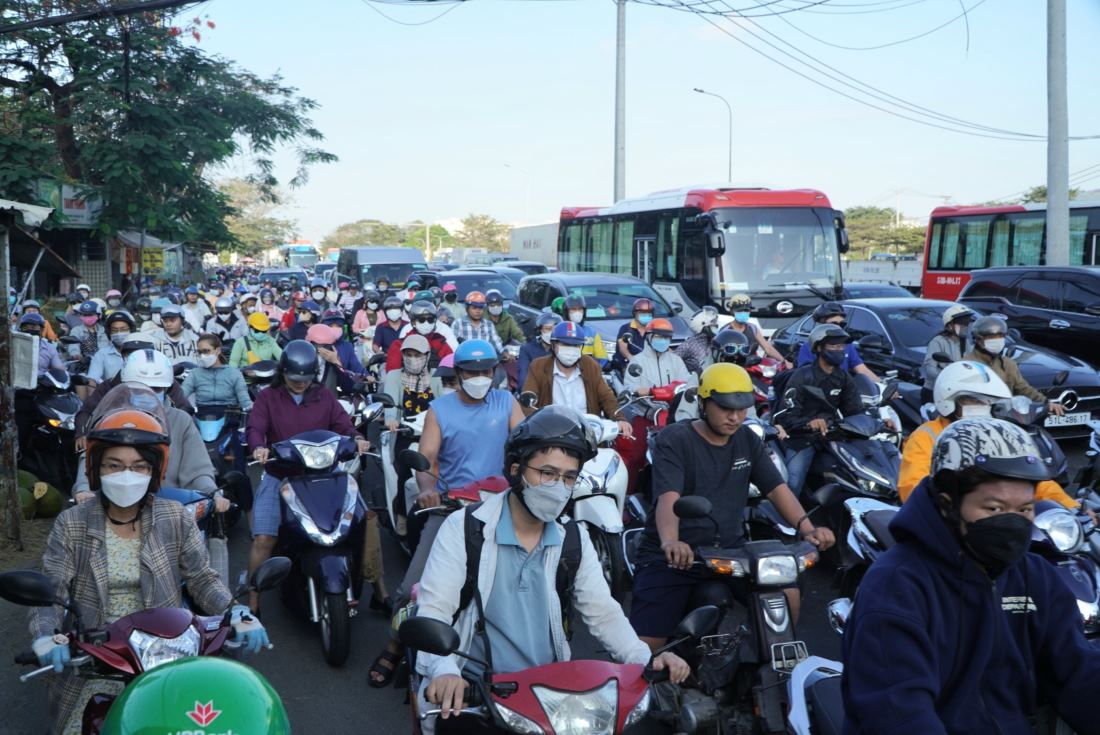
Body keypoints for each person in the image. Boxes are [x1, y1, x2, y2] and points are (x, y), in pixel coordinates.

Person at [415, 406, 691, 724]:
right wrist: (446, 671)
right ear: (517, 470)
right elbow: (435, 610)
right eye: (547, 473)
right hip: (476, 693)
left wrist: (645, 658)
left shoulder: (573, 539)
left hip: (549, 697)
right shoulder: (465, 528)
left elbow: (604, 613)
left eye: (569, 477)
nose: (558, 486)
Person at [841, 418, 1100, 734]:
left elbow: (1077, 674)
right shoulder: (897, 586)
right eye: (993, 509)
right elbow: (898, 713)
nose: (1013, 524)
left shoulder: (1035, 576)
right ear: (947, 504)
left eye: (1024, 510)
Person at [29, 408, 265, 734]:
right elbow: (50, 592)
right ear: (97, 468)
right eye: (114, 465)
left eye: (139, 466)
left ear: (154, 471)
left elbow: (200, 578)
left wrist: (234, 610)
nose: (127, 474)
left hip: (169, 653)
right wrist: (45, 635)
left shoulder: (174, 516)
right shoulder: (73, 523)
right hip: (100, 659)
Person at [629, 364, 835, 648]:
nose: (735, 416)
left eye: (742, 409)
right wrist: (671, 542)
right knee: (645, 648)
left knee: (788, 594)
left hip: (730, 550)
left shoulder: (747, 439)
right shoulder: (675, 440)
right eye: (726, 408)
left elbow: (776, 489)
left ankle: (763, 662)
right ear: (703, 403)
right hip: (675, 556)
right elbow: (669, 497)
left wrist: (808, 528)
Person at [368, 339, 524, 688]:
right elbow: (427, 458)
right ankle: (394, 646)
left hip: (502, 507)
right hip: (454, 507)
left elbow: (524, 442)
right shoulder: (441, 409)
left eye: (487, 371)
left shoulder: (506, 402)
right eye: (473, 372)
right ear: (459, 373)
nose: (481, 378)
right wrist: (427, 488)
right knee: (413, 587)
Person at [244, 341, 371, 612]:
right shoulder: (268, 397)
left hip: (324, 475)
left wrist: (357, 438)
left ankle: (379, 589)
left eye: (306, 378)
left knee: (362, 521)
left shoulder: (324, 396)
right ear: (284, 373)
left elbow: (343, 425)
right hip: (282, 474)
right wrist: (259, 447)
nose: (300, 384)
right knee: (264, 538)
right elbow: (255, 427)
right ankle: (252, 601)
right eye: (294, 378)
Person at [898, 360, 1077, 508]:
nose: (983, 405)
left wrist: (1069, 507)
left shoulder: (999, 434)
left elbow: (1034, 479)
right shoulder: (926, 436)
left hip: (1002, 517)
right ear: (949, 400)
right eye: (975, 399)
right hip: (953, 522)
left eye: (988, 400)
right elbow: (913, 487)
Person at [772, 324, 893, 498]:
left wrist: (880, 423)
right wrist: (809, 423)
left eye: (841, 347)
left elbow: (855, 411)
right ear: (819, 347)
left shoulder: (843, 378)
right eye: (833, 346)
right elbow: (784, 416)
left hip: (832, 436)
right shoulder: (802, 376)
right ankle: (787, 522)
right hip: (801, 439)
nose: (839, 351)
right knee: (793, 483)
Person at [72, 359, 220, 500]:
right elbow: (90, 460)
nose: (148, 392)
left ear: (166, 388)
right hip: (113, 501)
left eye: (156, 388)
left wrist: (212, 493)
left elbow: (198, 469)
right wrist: (84, 489)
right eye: (140, 387)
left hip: (171, 505)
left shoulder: (181, 420)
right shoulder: (112, 418)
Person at [74, 335, 193, 451]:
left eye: (156, 388)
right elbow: (87, 411)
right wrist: (82, 434)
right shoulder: (109, 385)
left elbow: (184, 408)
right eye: (129, 354)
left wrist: (175, 426)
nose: (149, 391)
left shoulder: (166, 382)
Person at [521, 321, 633, 436]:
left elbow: (606, 396)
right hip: (551, 434)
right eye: (565, 344)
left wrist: (619, 418)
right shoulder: (538, 366)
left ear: (581, 347)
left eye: (575, 345)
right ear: (553, 345)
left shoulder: (590, 365)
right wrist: (537, 429)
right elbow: (528, 400)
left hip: (587, 434)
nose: (570, 349)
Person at [963, 314, 1065, 416]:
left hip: (1006, 417)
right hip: (979, 417)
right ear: (978, 339)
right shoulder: (966, 365)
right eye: (992, 337)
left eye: (1001, 336)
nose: (997, 340)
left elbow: (1024, 388)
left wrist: (1046, 402)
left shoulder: (1008, 364)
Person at [795, 302, 878, 381]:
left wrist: (883, 385)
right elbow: (806, 376)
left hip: (843, 389)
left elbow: (862, 370)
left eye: (841, 324)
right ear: (821, 325)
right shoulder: (808, 347)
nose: (838, 327)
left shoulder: (848, 345)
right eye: (834, 324)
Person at [624, 318, 696, 396]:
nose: (663, 340)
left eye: (666, 338)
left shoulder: (676, 360)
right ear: (649, 337)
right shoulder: (637, 361)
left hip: (673, 404)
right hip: (648, 405)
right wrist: (640, 390)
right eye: (658, 337)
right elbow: (629, 386)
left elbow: (685, 381)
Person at [182, 333, 253, 411]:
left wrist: (251, 408)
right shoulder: (195, 373)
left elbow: (245, 401)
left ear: (218, 351)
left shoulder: (234, 373)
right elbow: (181, 396)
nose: (202, 356)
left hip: (230, 416)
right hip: (202, 416)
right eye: (200, 352)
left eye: (206, 351)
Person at [726, 293, 792, 367]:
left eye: (746, 310)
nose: (743, 313)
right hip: (733, 368)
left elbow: (768, 348)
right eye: (740, 310)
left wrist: (784, 361)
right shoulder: (726, 331)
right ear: (732, 311)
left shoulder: (753, 328)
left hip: (752, 367)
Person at [385, 301, 453, 371]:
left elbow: (451, 369)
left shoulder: (441, 343)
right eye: (422, 320)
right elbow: (392, 373)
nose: (426, 323)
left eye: (430, 320)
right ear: (413, 322)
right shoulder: (399, 345)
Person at [921, 304, 975, 384]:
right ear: (950, 325)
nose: (965, 326)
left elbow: (971, 363)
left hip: (957, 387)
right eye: (961, 323)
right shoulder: (938, 341)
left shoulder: (965, 342)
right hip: (936, 389)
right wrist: (944, 379)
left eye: (967, 323)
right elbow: (929, 368)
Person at [86, 310, 135, 384]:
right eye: (115, 330)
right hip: (112, 394)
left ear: (131, 330)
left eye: (123, 329)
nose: (119, 333)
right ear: (109, 333)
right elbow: (92, 379)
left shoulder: (140, 352)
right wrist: (92, 394)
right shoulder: (102, 354)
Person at [452, 290, 505, 355]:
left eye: (481, 308)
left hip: (486, 360)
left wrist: (504, 353)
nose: (478, 311)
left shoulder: (489, 324)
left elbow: (497, 343)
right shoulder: (458, 323)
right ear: (467, 309)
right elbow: (453, 346)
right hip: (465, 361)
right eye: (474, 308)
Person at [562, 293, 608, 365]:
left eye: (580, 309)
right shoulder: (559, 331)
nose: (577, 312)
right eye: (573, 309)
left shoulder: (591, 333)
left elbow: (602, 359)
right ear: (566, 312)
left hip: (587, 372)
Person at [517, 312, 560, 390]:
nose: (552, 333)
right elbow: (523, 378)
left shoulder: (562, 349)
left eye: (556, 329)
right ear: (539, 330)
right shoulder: (527, 349)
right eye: (548, 329)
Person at [675, 305, 720, 374]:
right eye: (713, 324)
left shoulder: (713, 343)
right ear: (702, 325)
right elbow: (673, 363)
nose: (716, 326)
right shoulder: (688, 345)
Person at [615, 297, 654, 370]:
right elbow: (623, 348)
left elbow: (664, 348)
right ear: (635, 313)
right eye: (642, 313)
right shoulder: (626, 328)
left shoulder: (654, 330)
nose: (646, 315)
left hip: (650, 367)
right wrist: (632, 359)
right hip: (630, 367)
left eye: (649, 313)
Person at [69, 300, 110, 368]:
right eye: (84, 315)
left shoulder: (104, 330)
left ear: (99, 315)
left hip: (104, 363)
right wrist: (75, 354)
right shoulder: (76, 330)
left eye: (90, 314)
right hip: (83, 364)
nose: (87, 317)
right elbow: (73, 343)